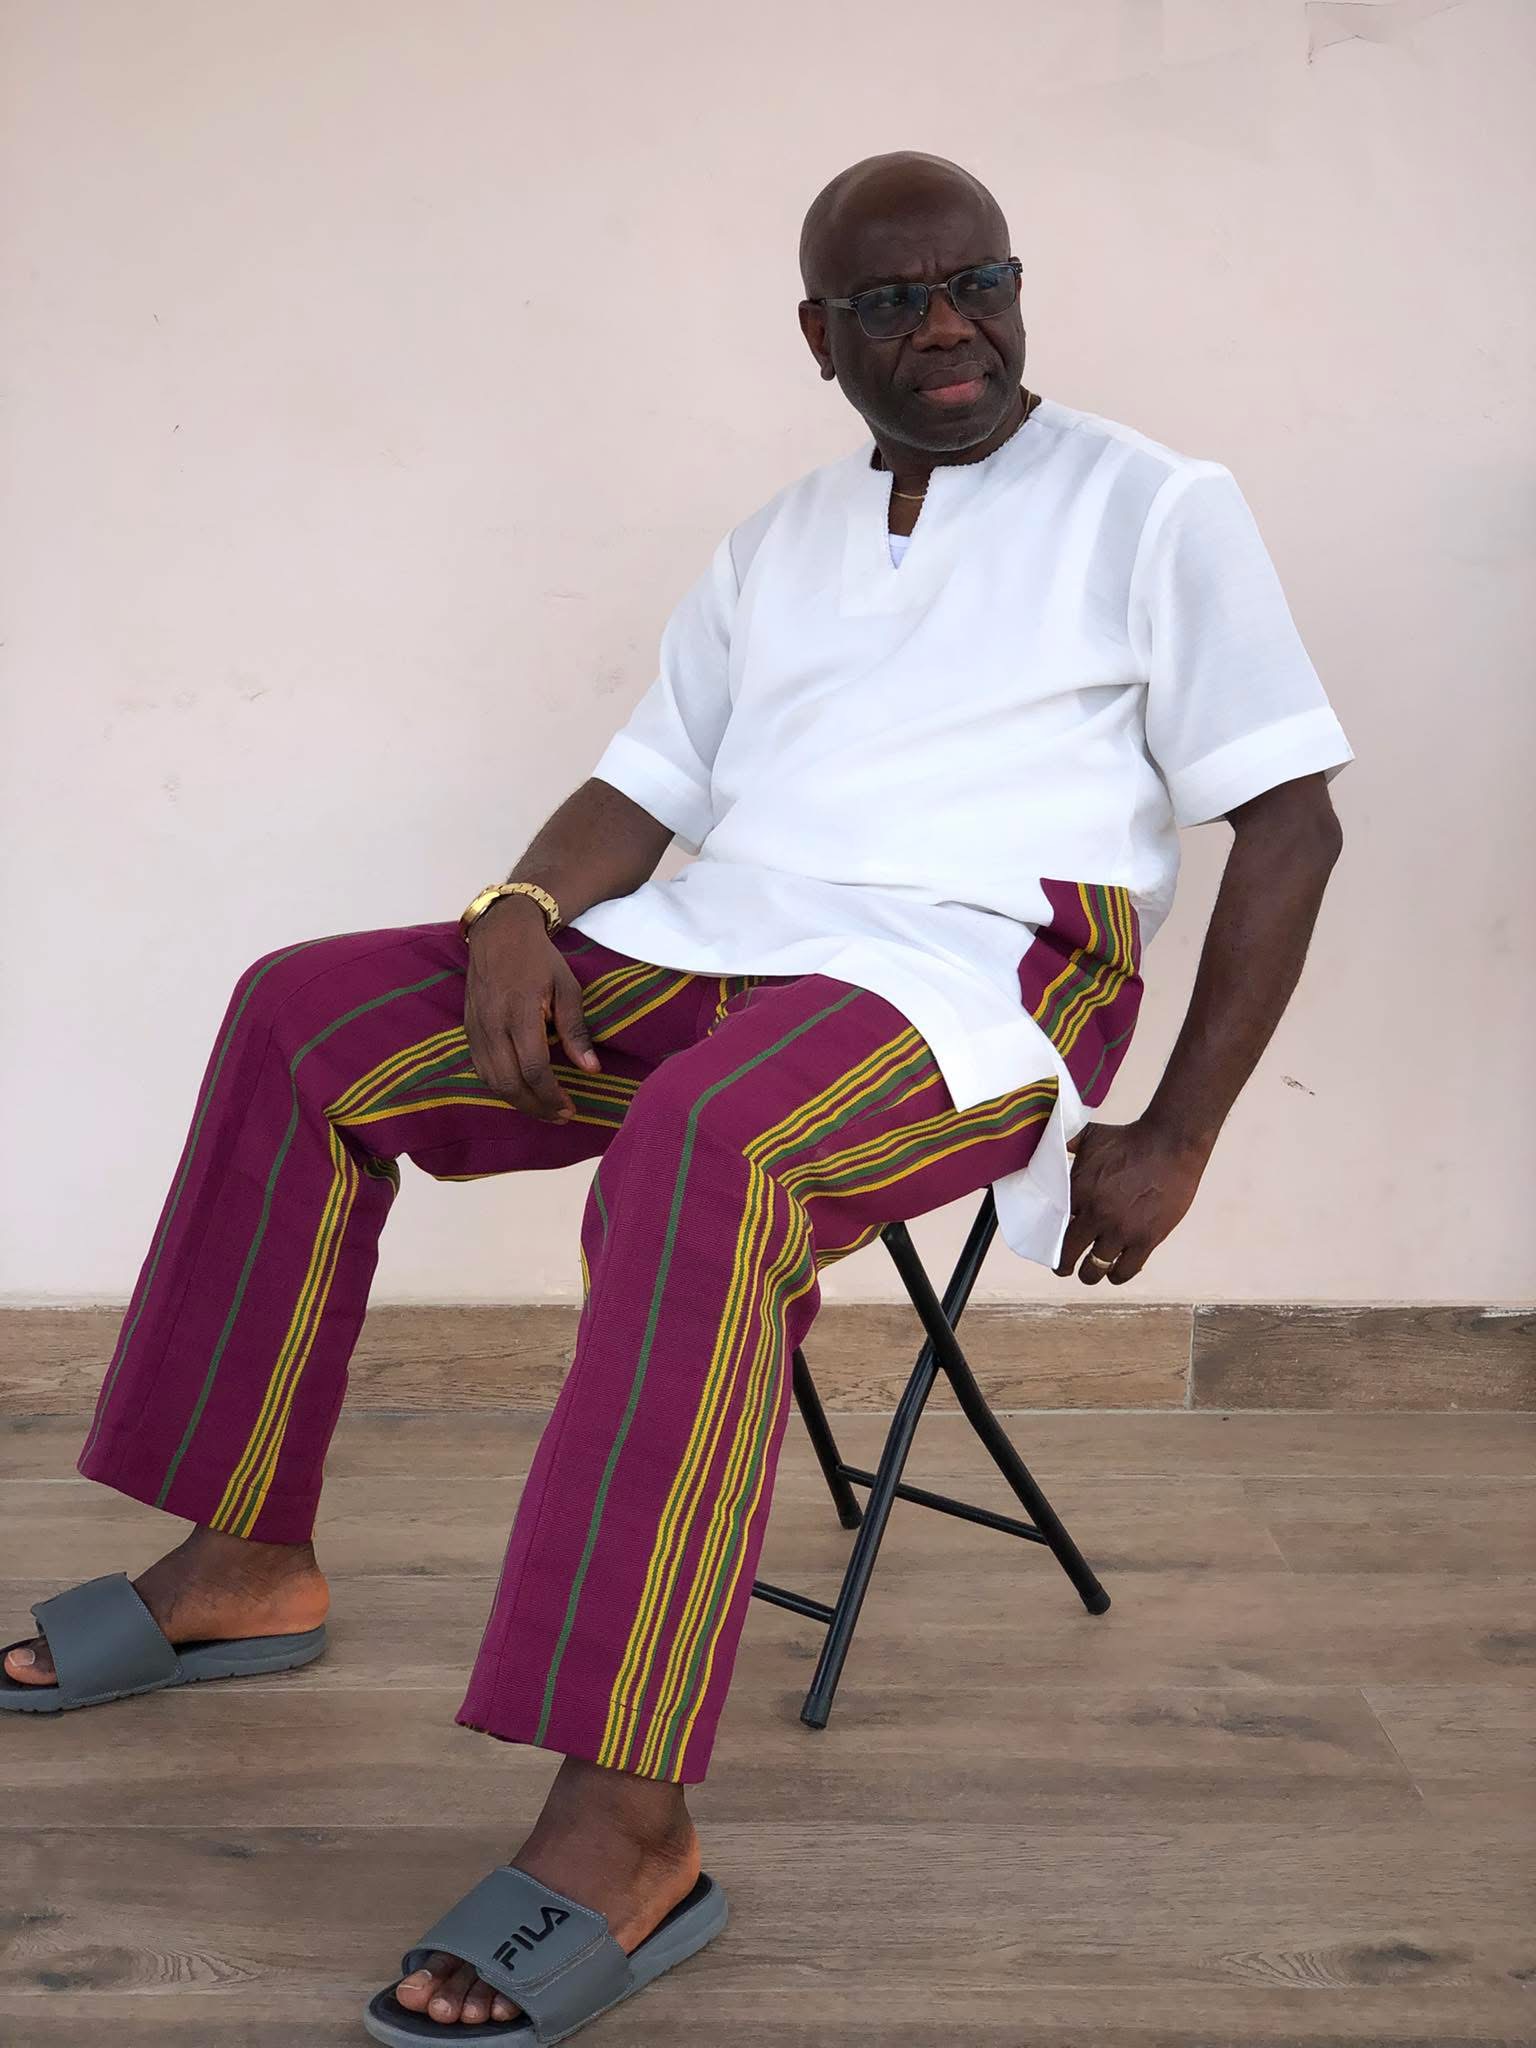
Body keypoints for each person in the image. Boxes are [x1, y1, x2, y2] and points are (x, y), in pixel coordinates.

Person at [2, 150, 1350, 2041]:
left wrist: (1180, 1132)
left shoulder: (1155, 504)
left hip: (973, 977)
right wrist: (517, 910)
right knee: (305, 1016)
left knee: (706, 1151)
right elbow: (646, 786)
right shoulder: (776, 542)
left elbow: (1290, 824)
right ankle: (245, 1558)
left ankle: (625, 1824)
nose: (948, 325)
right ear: (818, 335)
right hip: (716, 937)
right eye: (892, 301)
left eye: (977, 281)